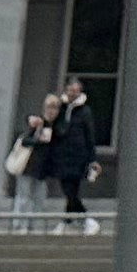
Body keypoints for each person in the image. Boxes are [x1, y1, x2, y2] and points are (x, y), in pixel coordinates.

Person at [43, 78, 100, 227]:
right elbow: (48, 120)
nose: (73, 93)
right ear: (66, 90)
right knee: (69, 191)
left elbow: (90, 136)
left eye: (76, 91)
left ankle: (81, 221)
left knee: (71, 191)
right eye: (70, 90)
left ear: (80, 91)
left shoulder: (85, 111)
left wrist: (93, 159)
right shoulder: (59, 107)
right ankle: (70, 222)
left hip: (78, 157)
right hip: (61, 156)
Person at [8, 97, 58, 224]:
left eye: (54, 108)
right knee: (24, 197)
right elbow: (25, 140)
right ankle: (19, 226)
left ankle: (33, 227)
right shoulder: (39, 123)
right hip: (28, 166)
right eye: (49, 107)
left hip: (43, 169)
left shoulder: (58, 126)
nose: (51, 111)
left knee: (39, 199)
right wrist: (38, 140)